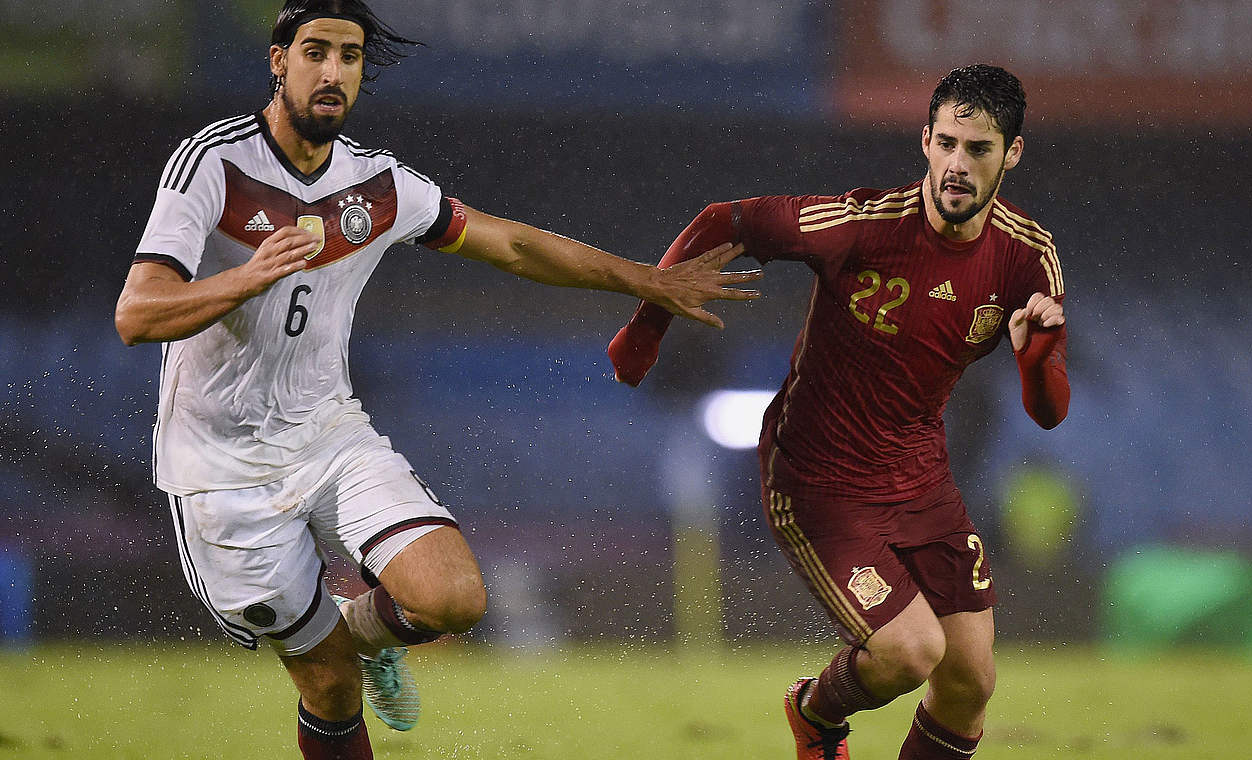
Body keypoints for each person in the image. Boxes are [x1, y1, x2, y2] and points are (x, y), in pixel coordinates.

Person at [113, 2, 760, 758]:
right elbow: (139, 313)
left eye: (349, 57)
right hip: (220, 468)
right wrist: (246, 278)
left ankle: (364, 632)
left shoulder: (377, 187)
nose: (332, 72)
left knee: (456, 598)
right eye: (315, 52)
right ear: (278, 61)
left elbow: (512, 245)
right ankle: (342, 652)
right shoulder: (214, 164)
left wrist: (645, 281)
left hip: (327, 434)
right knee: (328, 686)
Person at [609, 64, 1068, 760]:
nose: (957, 165)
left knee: (971, 680)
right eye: (947, 142)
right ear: (925, 140)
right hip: (818, 480)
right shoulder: (859, 224)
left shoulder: (1028, 258)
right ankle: (816, 714)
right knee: (912, 653)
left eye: (978, 149)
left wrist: (1037, 363)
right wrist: (643, 331)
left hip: (921, 483)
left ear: (1013, 153)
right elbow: (724, 222)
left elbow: (1049, 411)